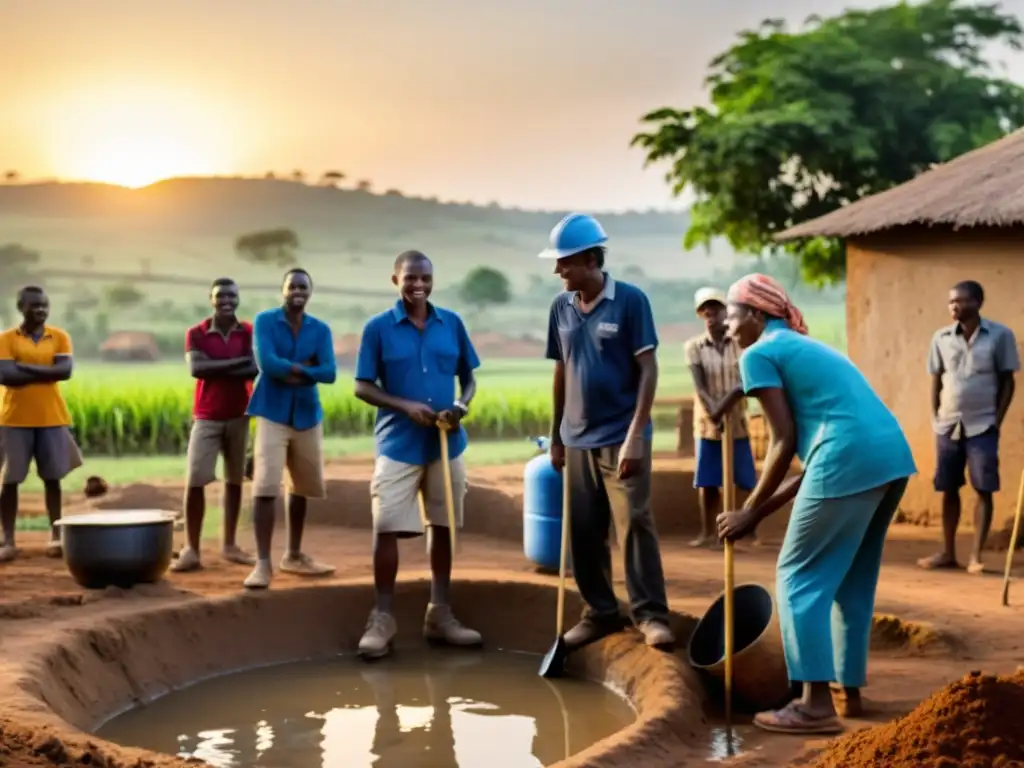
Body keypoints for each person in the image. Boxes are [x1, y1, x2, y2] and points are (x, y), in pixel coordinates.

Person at [713, 273, 916, 735]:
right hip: (888, 457)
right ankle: (849, 692)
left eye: (732, 313)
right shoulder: (805, 348)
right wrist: (756, 513)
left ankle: (814, 706)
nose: (726, 323)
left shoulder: (759, 354)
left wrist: (749, 509)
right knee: (852, 578)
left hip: (846, 459)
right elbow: (808, 473)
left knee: (797, 577)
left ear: (757, 314)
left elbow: (783, 442)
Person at [540, 213, 675, 650]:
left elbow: (648, 369)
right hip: (576, 438)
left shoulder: (631, 301)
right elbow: (561, 371)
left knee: (634, 523)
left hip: (622, 436)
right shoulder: (560, 308)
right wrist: (556, 435)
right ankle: (599, 612)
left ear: (590, 259)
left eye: (565, 262)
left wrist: (636, 435)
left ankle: (651, 615)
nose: (558, 270)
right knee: (583, 530)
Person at [353, 250, 482, 658]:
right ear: (396, 280)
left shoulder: (452, 323)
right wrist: (405, 406)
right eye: (410, 278)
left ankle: (439, 614)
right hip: (398, 443)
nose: (419, 285)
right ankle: (382, 618)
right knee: (386, 525)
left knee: (443, 525)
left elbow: (469, 379)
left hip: (446, 443)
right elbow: (361, 386)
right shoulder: (377, 328)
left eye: (425, 277)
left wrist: (460, 406)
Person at [243, 268, 337, 589]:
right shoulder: (265, 321)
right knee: (265, 486)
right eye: (292, 286)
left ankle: (293, 555)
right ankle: (263, 563)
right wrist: (306, 368)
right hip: (272, 411)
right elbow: (267, 365)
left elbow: (330, 372)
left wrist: (293, 371)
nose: (297, 291)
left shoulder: (320, 329)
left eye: (303, 287)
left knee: (301, 486)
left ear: (310, 292)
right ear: (283, 290)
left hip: (307, 414)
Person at [918, 280, 1019, 574]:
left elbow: (1008, 383)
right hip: (948, 425)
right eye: (951, 301)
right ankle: (948, 552)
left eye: (959, 301)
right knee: (948, 487)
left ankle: (976, 556)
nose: (953, 306)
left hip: (983, 425)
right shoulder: (940, 338)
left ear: (977, 303)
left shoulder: (1000, 336)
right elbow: (936, 380)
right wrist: (936, 418)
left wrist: (996, 420)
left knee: (983, 487)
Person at [173, 277, 259, 573]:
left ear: (238, 299)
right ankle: (191, 549)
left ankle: (230, 545)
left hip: (240, 413)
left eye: (231, 296)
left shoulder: (249, 331)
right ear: (211, 299)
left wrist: (216, 367)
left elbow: (254, 368)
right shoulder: (196, 333)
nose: (226, 300)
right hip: (207, 415)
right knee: (196, 479)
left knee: (234, 480)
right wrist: (237, 363)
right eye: (220, 296)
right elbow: (197, 369)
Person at [0, 286, 83, 562]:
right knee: (10, 480)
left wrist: (25, 367)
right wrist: (47, 372)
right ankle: (8, 540)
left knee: (52, 478)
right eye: (34, 305)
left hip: (51, 418)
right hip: (14, 419)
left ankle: (56, 536)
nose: (41, 310)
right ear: (21, 307)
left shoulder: (59, 337)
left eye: (44, 305)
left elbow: (65, 371)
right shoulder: (6, 339)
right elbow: (6, 375)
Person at [684, 286, 758, 548]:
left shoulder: (739, 344)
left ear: (725, 311)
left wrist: (724, 407)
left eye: (715, 309)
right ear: (700, 315)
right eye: (705, 310)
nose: (711, 314)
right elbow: (700, 386)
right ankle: (708, 532)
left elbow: (744, 381)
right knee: (707, 480)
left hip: (736, 421)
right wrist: (714, 411)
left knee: (746, 478)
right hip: (707, 424)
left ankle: (750, 531)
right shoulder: (694, 347)